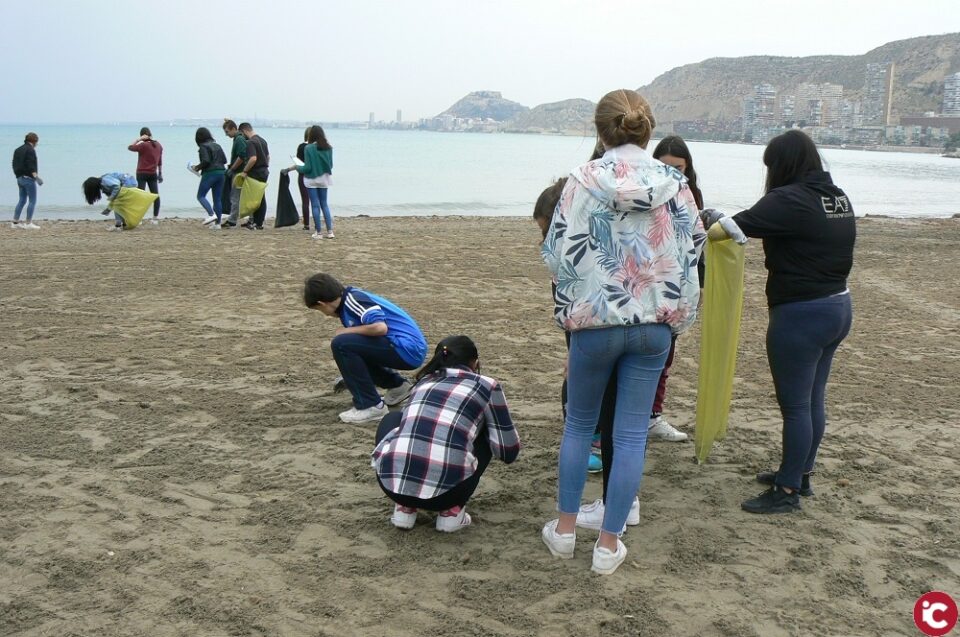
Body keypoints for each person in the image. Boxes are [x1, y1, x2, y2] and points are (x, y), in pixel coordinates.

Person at [540, 89, 705, 575]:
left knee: (579, 425)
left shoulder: (580, 181)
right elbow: (693, 245)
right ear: (646, 129)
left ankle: (566, 531)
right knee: (631, 434)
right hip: (655, 324)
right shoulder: (674, 182)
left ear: (600, 130)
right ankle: (609, 545)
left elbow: (555, 252)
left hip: (596, 322)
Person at [704, 129, 855, 515]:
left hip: (800, 315)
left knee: (795, 407)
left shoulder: (788, 199)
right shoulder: (836, 197)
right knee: (812, 399)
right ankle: (800, 474)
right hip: (838, 307)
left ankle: (786, 491)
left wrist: (711, 216)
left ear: (782, 165)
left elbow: (731, 228)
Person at [371, 335, 521, 532]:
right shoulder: (487, 385)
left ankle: (405, 508)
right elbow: (507, 451)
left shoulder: (423, 381)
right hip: (449, 494)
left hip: (392, 488)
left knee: (394, 420)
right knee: (485, 431)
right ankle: (451, 512)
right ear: (475, 363)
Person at [631, 134, 707, 443]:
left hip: (679, 291)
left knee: (665, 357)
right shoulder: (641, 193)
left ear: (688, 170)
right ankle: (633, 418)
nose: (672, 174)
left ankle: (652, 417)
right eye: (664, 166)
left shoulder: (691, 197)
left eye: (678, 168)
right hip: (646, 288)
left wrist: (698, 287)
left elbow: (697, 244)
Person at [303, 273, 428, 423]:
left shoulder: (352, 301)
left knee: (342, 344)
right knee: (351, 344)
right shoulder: (349, 300)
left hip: (407, 349)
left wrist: (345, 331)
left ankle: (370, 406)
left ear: (322, 303)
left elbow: (380, 328)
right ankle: (397, 386)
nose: (324, 314)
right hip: (408, 348)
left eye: (319, 310)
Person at [285, 125, 334, 239]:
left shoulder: (308, 148)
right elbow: (330, 165)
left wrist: (298, 168)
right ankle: (330, 232)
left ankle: (318, 232)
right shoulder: (328, 147)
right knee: (324, 204)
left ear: (311, 135)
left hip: (311, 180)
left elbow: (307, 168)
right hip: (324, 179)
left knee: (315, 206)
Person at [191, 127, 228, 227]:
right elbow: (224, 160)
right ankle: (218, 224)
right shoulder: (217, 145)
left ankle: (211, 214)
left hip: (210, 173)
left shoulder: (203, 146)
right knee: (217, 199)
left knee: (200, 196)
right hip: (222, 172)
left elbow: (206, 161)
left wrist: (197, 167)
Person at [127, 127, 163, 224]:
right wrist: (160, 174)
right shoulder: (159, 145)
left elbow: (130, 147)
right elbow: (159, 162)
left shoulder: (143, 145)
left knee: (140, 196)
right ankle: (155, 218)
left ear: (142, 135)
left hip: (142, 173)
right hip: (153, 173)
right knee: (155, 195)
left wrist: (138, 140)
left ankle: (139, 219)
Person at [238, 122, 269, 230]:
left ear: (244, 131)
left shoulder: (251, 142)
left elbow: (253, 158)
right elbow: (268, 156)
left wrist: (245, 171)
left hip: (255, 172)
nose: (242, 137)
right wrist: (266, 165)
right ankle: (259, 222)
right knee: (261, 196)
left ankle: (256, 222)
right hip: (264, 171)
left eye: (242, 134)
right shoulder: (262, 140)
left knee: (255, 198)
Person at [11, 132, 43, 229]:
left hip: (19, 177)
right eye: (37, 142)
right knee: (32, 200)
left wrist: (17, 175)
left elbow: (13, 163)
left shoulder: (18, 149)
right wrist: (36, 177)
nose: (37, 144)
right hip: (28, 178)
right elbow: (30, 164)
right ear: (34, 141)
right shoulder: (30, 150)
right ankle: (28, 223)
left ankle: (15, 222)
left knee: (22, 200)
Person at [295, 128, 311, 231]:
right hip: (315, 175)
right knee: (316, 201)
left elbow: (298, 162)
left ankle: (306, 224)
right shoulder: (317, 147)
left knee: (305, 201)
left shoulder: (301, 147)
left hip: (303, 175)